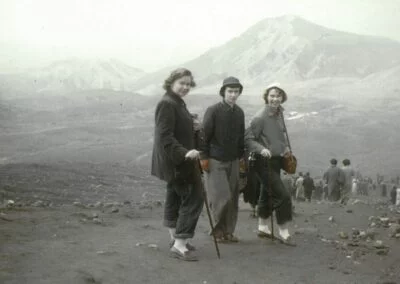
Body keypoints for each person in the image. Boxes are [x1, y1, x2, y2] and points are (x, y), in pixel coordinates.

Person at [151, 68, 204, 261]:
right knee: (195, 197)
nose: (185, 87)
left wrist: (194, 126)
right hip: (178, 161)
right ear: (171, 82)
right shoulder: (167, 103)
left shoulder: (176, 102)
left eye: (188, 84)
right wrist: (185, 153)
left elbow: (177, 129)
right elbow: (164, 136)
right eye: (182, 83)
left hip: (175, 161)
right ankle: (180, 245)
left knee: (174, 196)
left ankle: (175, 239)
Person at [245, 82, 295, 246]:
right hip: (262, 161)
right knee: (283, 195)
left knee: (267, 193)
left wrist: (285, 148)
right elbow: (248, 139)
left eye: (278, 95)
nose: (275, 99)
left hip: (276, 160)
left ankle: (263, 227)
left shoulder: (279, 113)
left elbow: (279, 135)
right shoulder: (260, 117)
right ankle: (283, 231)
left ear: (283, 97)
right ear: (266, 97)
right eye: (272, 95)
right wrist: (261, 149)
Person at [200, 77, 245, 243]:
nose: (233, 95)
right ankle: (218, 231)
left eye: (236, 92)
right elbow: (204, 136)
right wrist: (203, 157)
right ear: (223, 92)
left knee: (233, 198)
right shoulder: (213, 111)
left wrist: (241, 159)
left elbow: (241, 137)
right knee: (221, 197)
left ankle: (229, 232)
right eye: (230, 91)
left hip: (233, 160)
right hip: (215, 160)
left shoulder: (239, 113)